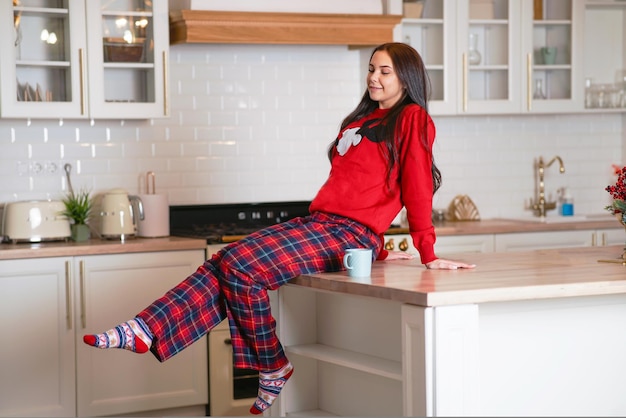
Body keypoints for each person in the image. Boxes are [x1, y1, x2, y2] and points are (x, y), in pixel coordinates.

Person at [82, 42, 476, 415]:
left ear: (406, 79)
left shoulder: (412, 118)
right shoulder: (364, 119)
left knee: (241, 267)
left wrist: (428, 253)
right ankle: (146, 328)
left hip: (347, 233)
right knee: (226, 260)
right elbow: (355, 188)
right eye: (371, 69)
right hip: (324, 224)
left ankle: (271, 363)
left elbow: (417, 186)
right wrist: (381, 252)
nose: (373, 77)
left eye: (384, 71)